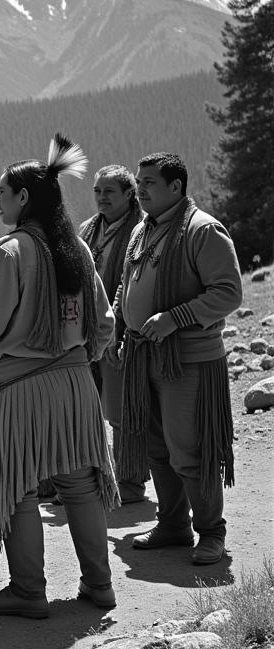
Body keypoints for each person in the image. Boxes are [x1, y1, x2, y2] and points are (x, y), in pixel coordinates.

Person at [0, 134, 118, 619]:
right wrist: (81, 360)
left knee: (19, 488)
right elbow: (103, 323)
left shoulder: (10, 253)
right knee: (80, 484)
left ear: (23, 198)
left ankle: (28, 591)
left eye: (2, 191)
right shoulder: (77, 251)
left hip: (20, 389)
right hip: (75, 385)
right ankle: (100, 585)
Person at [111, 152, 240, 565]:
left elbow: (228, 293)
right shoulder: (142, 231)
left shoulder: (202, 230)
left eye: (149, 182)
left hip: (186, 359)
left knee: (190, 447)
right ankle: (173, 525)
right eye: (139, 182)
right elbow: (124, 285)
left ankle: (211, 533)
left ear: (176, 187)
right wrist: (118, 328)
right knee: (157, 446)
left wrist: (175, 318)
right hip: (142, 355)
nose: (141, 189)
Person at [78, 165, 148, 504]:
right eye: (97, 191)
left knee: (121, 412)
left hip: (121, 334)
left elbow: (129, 285)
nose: (102, 198)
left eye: (109, 191)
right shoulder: (86, 231)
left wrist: (115, 331)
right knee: (85, 411)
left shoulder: (140, 230)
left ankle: (131, 482)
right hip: (87, 334)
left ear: (128, 194)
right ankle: (89, 479)